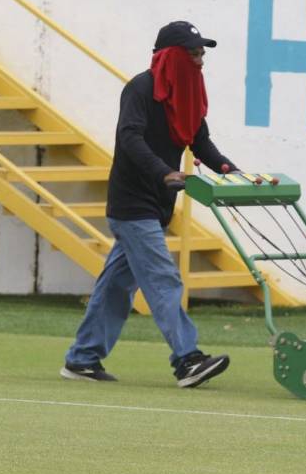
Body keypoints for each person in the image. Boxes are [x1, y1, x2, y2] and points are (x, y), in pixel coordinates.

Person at [63, 20, 237, 389]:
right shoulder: (140, 89)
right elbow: (130, 137)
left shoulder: (187, 95)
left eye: (202, 53)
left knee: (115, 287)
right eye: (193, 53)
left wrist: (230, 171)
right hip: (132, 203)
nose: (200, 60)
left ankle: (82, 358)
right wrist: (163, 172)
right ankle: (187, 359)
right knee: (162, 277)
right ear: (171, 56)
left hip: (158, 204)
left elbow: (199, 142)